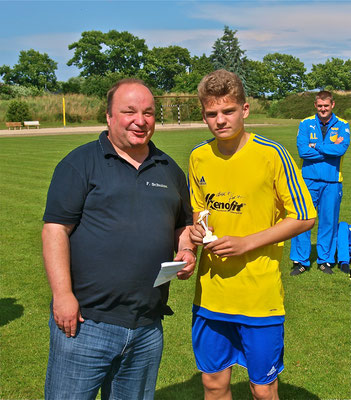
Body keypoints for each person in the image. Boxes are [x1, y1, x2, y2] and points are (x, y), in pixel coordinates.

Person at [42, 78, 196, 400]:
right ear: (109, 117)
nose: (140, 120)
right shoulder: (80, 163)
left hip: (146, 326)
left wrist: (185, 248)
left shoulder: (169, 169)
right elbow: (55, 230)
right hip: (86, 324)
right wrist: (62, 295)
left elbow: (183, 225)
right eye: (129, 111)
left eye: (149, 112)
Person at [188, 69, 316, 400]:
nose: (220, 120)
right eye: (212, 114)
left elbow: (303, 217)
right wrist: (199, 228)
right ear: (204, 115)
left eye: (228, 111)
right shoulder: (198, 157)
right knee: (213, 386)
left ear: (244, 110)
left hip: (259, 298)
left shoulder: (272, 154)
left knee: (263, 389)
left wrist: (247, 242)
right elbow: (199, 209)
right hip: (211, 295)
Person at [289, 91, 350, 275]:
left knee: (328, 222)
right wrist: (328, 150)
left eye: (326, 105)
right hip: (308, 179)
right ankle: (301, 261)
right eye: (320, 106)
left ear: (332, 105)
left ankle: (325, 260)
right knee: (302, 220)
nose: (323, 109)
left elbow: (340, 149)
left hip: (332, 181)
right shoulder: (306, 123)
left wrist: (316, 146)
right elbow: (302, 151)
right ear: (316, 106)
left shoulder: (342, 125)